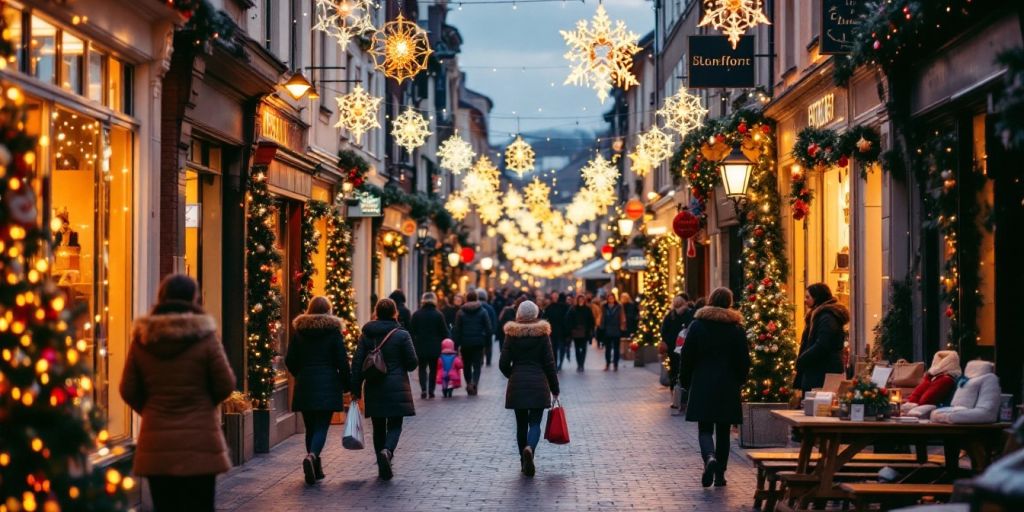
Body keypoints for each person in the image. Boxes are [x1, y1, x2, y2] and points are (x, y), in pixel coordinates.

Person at [120, 274, 235, 511]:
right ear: (194, 298)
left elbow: (128, 388)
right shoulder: (205, 336)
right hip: (200, 444)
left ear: (161, 297)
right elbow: (225, 383)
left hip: (157, 444)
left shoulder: (143, 338)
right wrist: (203, 405)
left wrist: (151, 409)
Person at [678, 287, 751, 488]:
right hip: (728, 384)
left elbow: (687, 355)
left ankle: (709, 458)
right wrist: (741, 380)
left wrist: (684, 380)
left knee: (705, 429)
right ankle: (720, 475)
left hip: (702, 382)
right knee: (724, 431)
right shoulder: (736, 329)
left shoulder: (697, 325)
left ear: (710, 300)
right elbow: (744, 360)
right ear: (729, 302)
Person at [351, 298, 418, 480]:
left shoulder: (366, 335)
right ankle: (387, 452)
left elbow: (357, 363)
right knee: (395, 424)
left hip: (374, 386)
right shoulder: (402, 334)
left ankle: (381, 464)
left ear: (376, 312)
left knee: (378, 426)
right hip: (397, 386)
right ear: (395, 313)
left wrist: (355, 388)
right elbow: (412, 363)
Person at [286, 296, 350, 484]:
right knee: (322, 426)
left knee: (310, 427)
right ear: (328, 310)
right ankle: (312, 456)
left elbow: (290, 360)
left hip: (305, 383)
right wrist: (347, 384)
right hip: (328, 384)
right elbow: (342, 362)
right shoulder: (333, 332)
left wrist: (300, 373)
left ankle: (315, 467)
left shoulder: (299, 332)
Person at [500, 300, 560, 477]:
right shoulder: (542, 334)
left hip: (518, 383)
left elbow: (503, 363)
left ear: (519, 314)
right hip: (538, 383)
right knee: (535, 423)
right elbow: (549, 364)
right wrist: (554, 387)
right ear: (535, 314)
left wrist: (512, 374)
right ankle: (530, 449)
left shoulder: (511, 334)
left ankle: (522, 461)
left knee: (520, 425)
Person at [793, 283, 850, 392]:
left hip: (821, 372)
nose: (805, 300)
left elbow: (823, 344)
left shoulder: (826, 317)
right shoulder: (818, 315)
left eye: (808, 297)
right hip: (817, 370)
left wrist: (803, 359)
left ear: (817, 297)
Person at [409, 292, 450, 399]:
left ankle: (423, 389)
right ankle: (431, 390)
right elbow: (445, 332)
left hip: (420, 346)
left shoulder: (417, 314)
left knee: (422, 368)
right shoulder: (438, 314)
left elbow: (411, 331)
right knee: (433, 369)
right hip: (435, 347)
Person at [453, 292, 493, 395]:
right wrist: (486, 340)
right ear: (476, 299)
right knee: (477, 365)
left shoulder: (460, 312)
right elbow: (488, 328)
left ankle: (469, 383)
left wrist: (456, 345)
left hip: (465, 343)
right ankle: (474, 383)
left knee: (466, 365)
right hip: (478, 343)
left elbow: (457, 329)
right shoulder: (483, 311)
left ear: (466, 299)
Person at [660, 295, 690, 391]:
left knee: (673, 366)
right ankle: (683, 387)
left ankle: (674, 387)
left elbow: (663, 331)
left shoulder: (670, 315)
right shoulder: (688, 313)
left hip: (672, 346)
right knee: (683, 365)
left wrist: (666, 341)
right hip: (684, 344)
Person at [565, 294, 595, 372]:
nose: (581, 301)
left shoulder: (587, 309)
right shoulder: (573, 309)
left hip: (585, 332)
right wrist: (571, 329)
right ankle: (579, 364)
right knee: (577, 349)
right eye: (579, 299)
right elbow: (568, 319)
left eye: (582, 299)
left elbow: (591, 320)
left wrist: (591, 329)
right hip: (576, 332)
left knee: (584, 348)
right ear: (577, 300)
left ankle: (582, 364)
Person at [542, 292, 570, 371]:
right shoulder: (549, 307)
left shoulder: (564, 307)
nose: (554, 298)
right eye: (553, 296)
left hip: (562, 331)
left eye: (556, 296)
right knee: (553, 349)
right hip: (552, 332)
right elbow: (545, 319)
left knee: (561, 348)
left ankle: (560, 364)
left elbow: (568, 319)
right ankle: (555, 364)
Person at [599, 293, 626, 371]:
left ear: (614, 298)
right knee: (607, 348)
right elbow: (602, 317)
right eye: (609, 297)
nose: (611, 299)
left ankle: (615, 364)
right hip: (607, 329)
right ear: (607, 299)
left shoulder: (619, 306)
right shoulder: (604, 307)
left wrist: (622, 326)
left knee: (616, 348)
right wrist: (601, 326)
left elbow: (622, 316)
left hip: (616, 328)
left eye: (612, 297)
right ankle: (607, 363)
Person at [477, 288, 498, 367]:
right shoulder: (490, 307)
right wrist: (493, 330)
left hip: (478, 331)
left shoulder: (476, 307)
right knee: (488, 346)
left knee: (480, 346)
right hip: (488, 331)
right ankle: (488, 361)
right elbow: (493, 319)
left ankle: (481, 360)